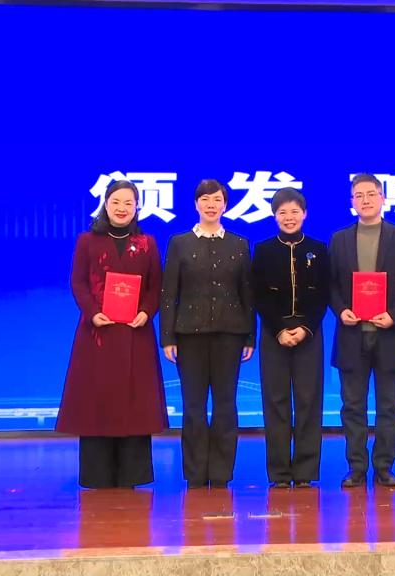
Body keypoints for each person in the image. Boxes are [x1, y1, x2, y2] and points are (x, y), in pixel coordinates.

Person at [57, 180, 168, 489]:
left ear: (137, 208)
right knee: (97, 400)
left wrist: (147, 311)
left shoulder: (146, 243)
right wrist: (93, 312)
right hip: (97, 333)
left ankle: (132, 473)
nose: (122, 208)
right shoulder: (87, 241)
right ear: (106, 205)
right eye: (116, 202)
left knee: (135, 402)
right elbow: (78, 282)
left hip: (135, 333)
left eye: (128, 203)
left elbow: (156, 285)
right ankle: (98, 474)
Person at [160, 179, 255, 489]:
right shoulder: (179, 243)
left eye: (217, 200)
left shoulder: (239, 244)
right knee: (194, 406)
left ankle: (222, 472)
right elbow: (169, 293)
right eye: (205, 199)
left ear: (225, 205)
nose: (211, 205)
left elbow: (247, 293)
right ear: (196, 204)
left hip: (230, 335)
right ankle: (195, 472)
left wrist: (250, 336)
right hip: (189, 335)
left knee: (226, 405)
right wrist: (167, 337)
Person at [329, 173, 395, 488]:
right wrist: (341, 309)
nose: (365, 200)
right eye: (359, 195)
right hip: (352, 334)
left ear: (383, 198)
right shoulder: (339, 239)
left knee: (388, 406)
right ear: (352, 201)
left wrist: (394, 314)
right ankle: (356, 467)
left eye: (371, 194)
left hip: (390, 334)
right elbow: (331, 284)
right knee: (352, 406)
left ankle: (384, 466)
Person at [252, 187, 329, 489]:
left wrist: (306, 328)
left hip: (309, 333)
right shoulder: (263, 249)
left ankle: (305, 470)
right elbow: (258, 295)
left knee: (309, 401)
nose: (289, 217)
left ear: (304, 214)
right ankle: (280, 473)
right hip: (274, 334)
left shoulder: (318, 249)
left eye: (294, 211)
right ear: (274, 216)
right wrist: (278, 330)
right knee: (276, 401)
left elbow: (324, 294)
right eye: (282, 212)